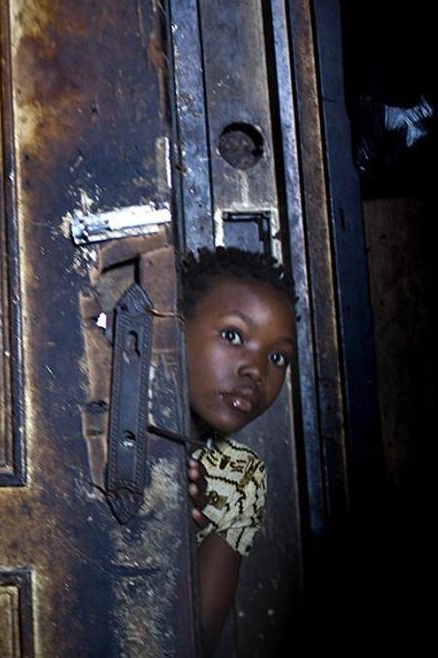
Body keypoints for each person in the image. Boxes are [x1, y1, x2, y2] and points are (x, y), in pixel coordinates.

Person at [179, 246, 296, 655]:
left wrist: (175, 533)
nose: (256, 371)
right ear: (175, 326)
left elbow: (198, 643)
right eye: (233, 336)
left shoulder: (240, 479)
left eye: (278, 357)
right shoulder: (97, 425)